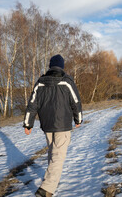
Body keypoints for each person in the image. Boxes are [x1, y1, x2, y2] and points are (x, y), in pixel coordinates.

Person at [23, 54, 83, 197]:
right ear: (61, 66)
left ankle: (50, 178)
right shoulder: (67, 81)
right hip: (62, 125)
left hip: (47, 125)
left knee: (52, 153)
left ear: (50, 66)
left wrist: (28, 124)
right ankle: (47, 188)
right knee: (58, 156)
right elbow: (76, 102)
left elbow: (32, 104)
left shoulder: (40, 82)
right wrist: (78, 119)